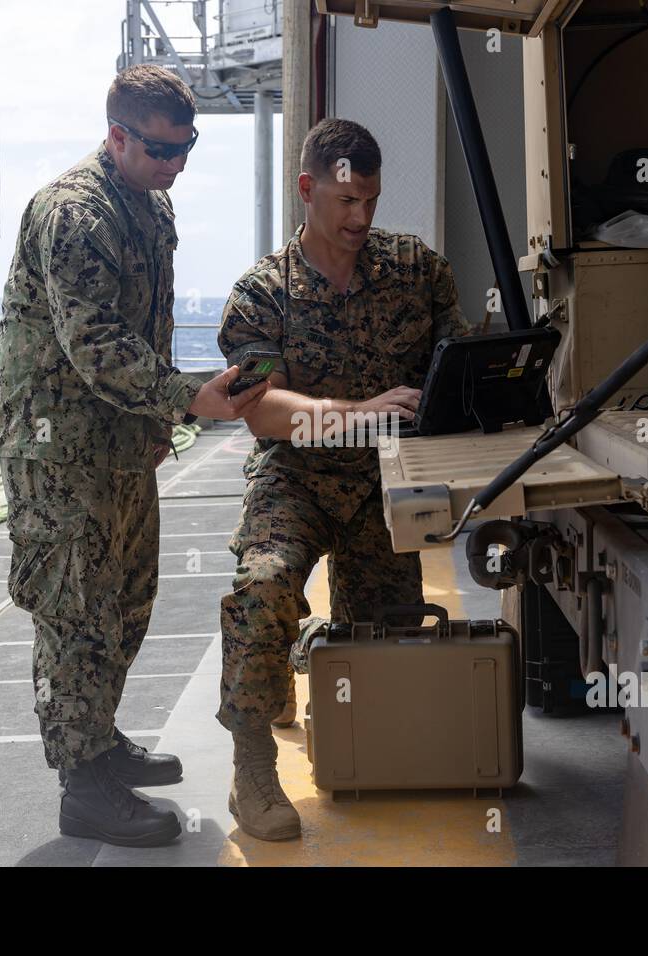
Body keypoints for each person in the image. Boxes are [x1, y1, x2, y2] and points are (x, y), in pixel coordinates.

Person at [0, 65, 267, 848]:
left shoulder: (149, 203)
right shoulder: (74, 213)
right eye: (159, 150)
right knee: (74, 613)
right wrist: (188, 397)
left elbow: (149, 319)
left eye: (187, 149)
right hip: (58, 450)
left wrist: (158, 421)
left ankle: (101, 742)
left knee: (128, 600)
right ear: (116, 136)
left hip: (118, 441)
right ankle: (83, 785)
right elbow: (94, 345)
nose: (175, 165)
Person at [215, 118, 470, 840]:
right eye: (345, 201)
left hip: (383, 486)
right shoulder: (262, 292)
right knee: (263, 586)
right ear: (307, 188)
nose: (360, 218)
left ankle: (309, 648)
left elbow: (452, 365)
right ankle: (253, 762)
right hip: (296, 478)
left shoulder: (417, 270)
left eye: (371, 201)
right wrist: (358, 415)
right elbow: (262, 411)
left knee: (387, 642)